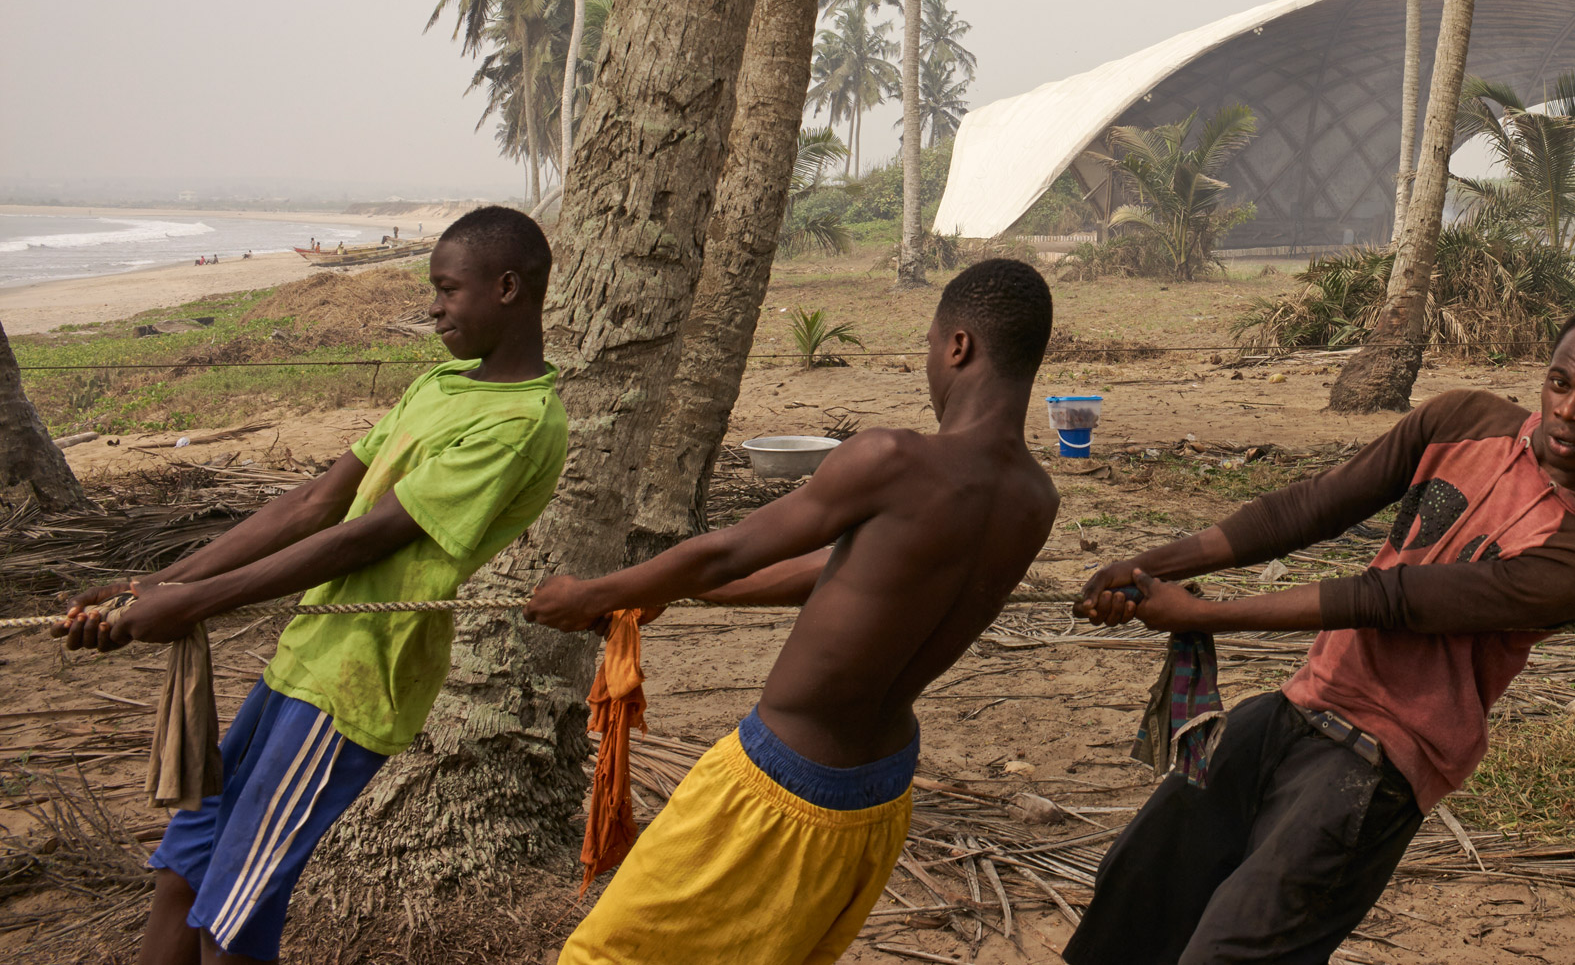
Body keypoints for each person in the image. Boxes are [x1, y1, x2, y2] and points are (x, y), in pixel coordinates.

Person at [1062, 301, 1575, 965]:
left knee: (1232, 950)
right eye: (1560, 383)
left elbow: (1388, 599)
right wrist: (1151, 566)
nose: (1569, 411)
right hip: (1296, 707)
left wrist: (1197, 614)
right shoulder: (1463, 419)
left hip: (1376, 763)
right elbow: (1311, 507)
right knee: (1138, 888)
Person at [57, 205, 569, 965]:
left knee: (230, 918)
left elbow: (368, 534)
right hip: (304, 657)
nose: (432, 307)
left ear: (505, 287)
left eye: (446, 289)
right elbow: (313, 502)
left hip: (356, 683)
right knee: (182, 872)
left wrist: (189, 603)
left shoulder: (524, 421)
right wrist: (153, 584)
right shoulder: (440, 384)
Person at [525, 258, 1062, 965]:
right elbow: (842, 573)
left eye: (929, 347)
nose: (930, 363)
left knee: (602, 956)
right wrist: (672, 589)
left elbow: (728, 549)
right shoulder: (1034, 499)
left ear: (958, 345)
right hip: (879, 796)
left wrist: (594, 593)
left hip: (778, 783)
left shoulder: (895, 456)